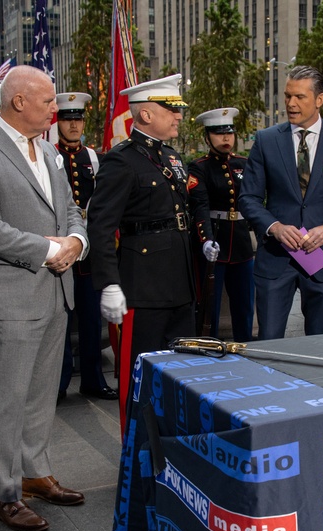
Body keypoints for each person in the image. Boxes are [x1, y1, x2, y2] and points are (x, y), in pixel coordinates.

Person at [0, 66, 89, 531]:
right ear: (18, 102)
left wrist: (76, 241)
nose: (56, 109)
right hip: (12, 295)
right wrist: (52, 250)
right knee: (9, 399)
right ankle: (5, 494)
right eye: (49, 101)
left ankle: (35, 474)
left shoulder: (49, 150)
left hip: (55, 290)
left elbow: (71, 207)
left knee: (40, 393)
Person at [87, 74, 200, 430]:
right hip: (144, 286)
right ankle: (135, 454)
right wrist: (108, 283)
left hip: (180, 283)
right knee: (140, 378)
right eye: (171, 110)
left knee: (180, 374)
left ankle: (171, 445)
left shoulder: (170, 156)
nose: (178, 116)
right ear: (146, 115)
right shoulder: (121, 161)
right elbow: (101, 226)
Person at [238, 65, 323, 339]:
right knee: (269, 345)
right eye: (287, 96)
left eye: (299, 97)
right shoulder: (266, 140)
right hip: (275, 260)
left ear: (319, 100)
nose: (291, 104)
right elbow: (248, 198)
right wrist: (275, 227)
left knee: (320, 347)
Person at [54, 91, 118, 402]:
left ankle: (93, 379)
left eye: (78, 119)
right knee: (60, 322)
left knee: (92, 321)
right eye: (67, 119)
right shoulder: (47, 155)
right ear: (58, 122)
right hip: (60, 247)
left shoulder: (95, 158)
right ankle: (59, 381)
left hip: (88, 250)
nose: (73, 125)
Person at [187, 107, 254, 342]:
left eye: (229, 133)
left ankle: (245, 351)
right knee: (209, 309)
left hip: (242, 245)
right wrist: (205, 240)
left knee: (245, 307)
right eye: (218, 134)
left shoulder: (245, 163)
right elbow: (200, 207)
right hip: (215, 243)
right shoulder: (199, 167)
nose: (226, 138)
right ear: (207, 138)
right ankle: (208, 351)